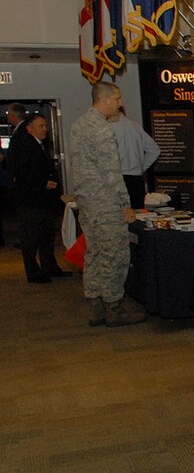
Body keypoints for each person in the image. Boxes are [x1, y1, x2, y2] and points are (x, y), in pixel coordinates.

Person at [68, 82, 146, 327]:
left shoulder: (78, 125)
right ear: (106, 100)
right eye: (118, 99)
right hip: (106, 203)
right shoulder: (101, 130)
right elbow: (112, 172)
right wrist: (126, 204)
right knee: (114, 255)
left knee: (94, 254)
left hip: (87, 203)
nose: (121, 104)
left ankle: (96, 307)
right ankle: (114, 308)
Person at [9, 113, 69, 282]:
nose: (45, 129)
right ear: (30, 129)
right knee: (31, 238)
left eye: (45, 126)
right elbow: (21, 172)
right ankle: (34, 272)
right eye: (41, 126)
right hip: (31, 201)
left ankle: (49, 266)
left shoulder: (38, 145)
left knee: (45, 236)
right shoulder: (25, 146)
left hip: (42, 201)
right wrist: (43, 183)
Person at [110, 106, 160, 210]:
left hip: (117, 180)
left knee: (117, 219)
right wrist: (141, 167)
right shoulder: (134, 126)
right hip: (137, 180)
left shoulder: (109, 128)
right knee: (138, 217)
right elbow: (154, 150)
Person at [1, 102, 29, 247]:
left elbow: (21, 159)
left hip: (22, 182)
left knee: (25, 214)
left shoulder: (23, 132)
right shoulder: (21, 130)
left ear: (13, 116)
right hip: (18, 180)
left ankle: (27, 239)